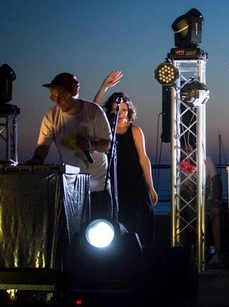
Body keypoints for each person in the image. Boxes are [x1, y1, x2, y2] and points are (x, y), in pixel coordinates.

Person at [25, 72, 113, 219]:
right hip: (70, 187)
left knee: (102, 231)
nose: (57, 101)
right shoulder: (51, 116)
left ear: (74, 92)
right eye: (53, 98)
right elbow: (43, 145)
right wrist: (36, 160)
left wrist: (92, 144)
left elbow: (108, 144)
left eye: (61, 96)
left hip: (98, 187)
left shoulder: (94, 112)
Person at [94, 71, 158, 246]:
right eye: (116, 109)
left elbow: (143, 159)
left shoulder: (135, 130)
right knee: (120, 220)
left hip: (135, 182)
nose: (120, 113)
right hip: (114, 181)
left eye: (123, 109)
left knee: (143, 219)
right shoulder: (106, 128)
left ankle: (145, 254)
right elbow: (94, 109)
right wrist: (104, 86)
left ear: (129, 110)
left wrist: (150, 186)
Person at [205, 156, 227, 266]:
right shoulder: (178, 159)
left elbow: (217, 182)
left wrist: (217, 201)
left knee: (216, 213)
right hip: (187, 202)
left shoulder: (206, 160)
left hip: (206, 202)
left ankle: (218, 254)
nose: (187, 148)